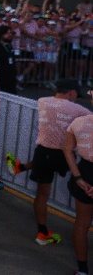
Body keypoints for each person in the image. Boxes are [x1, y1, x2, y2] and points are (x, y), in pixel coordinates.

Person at [7, 79, 91, 246]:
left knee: (42, 194)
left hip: (44, 152)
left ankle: (43, 231)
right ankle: (20, 167)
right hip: (66, 155)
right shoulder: (80, 110)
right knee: (74, 181)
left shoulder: (42, 102)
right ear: (72, 93)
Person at [64, 113, 93, 275]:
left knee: (82, 224)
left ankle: (82, 270)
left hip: (85, 173)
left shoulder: (79, 122)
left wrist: (78, 177)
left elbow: (67, 149)